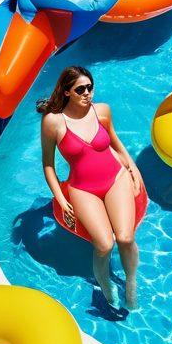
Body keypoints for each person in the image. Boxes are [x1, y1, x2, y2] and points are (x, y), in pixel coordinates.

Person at [39, 66, 143, 309]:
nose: (87, 93)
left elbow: (115, 143)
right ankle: (105, 283)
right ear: (66, 92)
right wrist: (61, 199)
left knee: (125, 238)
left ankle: (131, 281)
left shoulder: (102, 111)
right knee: (104, 245)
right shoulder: (53, 122)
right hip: (83, 188)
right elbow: (48, 165)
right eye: (80, 89)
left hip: (115, 178)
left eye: (90, 87)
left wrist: (133, 169)